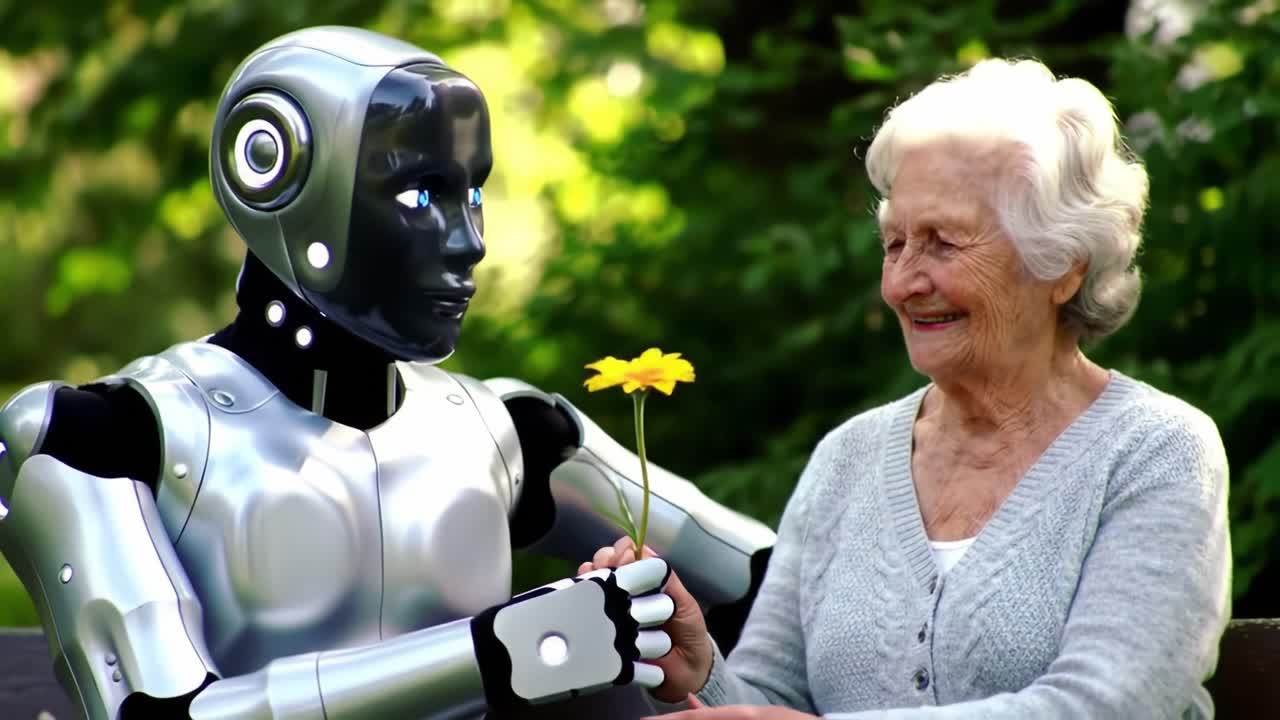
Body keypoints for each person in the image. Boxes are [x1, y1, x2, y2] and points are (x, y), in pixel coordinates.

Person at [0, 26, 777, 720]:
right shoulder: (104, 438)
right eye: (421, 192)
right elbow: (156, 712)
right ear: (278, 178)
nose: (470, 240)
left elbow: (774, 583)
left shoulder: (508, 433)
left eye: (474, 191)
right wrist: (504, 653)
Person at [584, 58, 1231, 719]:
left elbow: (1111, 705)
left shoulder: (1156, 451)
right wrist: (695, 675)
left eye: (943, 243)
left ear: (1064, 264)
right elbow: (773, 704)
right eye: (895, 245)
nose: (901, 285)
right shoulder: (847, 459)